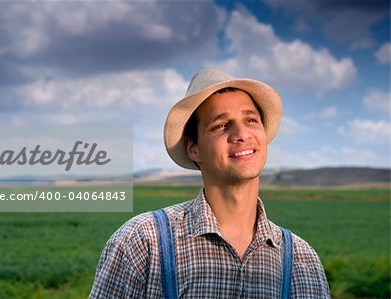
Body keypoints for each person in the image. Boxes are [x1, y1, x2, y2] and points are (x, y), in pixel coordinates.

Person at [89, 68, 331, 298]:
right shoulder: (143, 242)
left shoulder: (302, 259)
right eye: (221, 125)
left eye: (250, 120)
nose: (241, 134)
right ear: (193, 148)